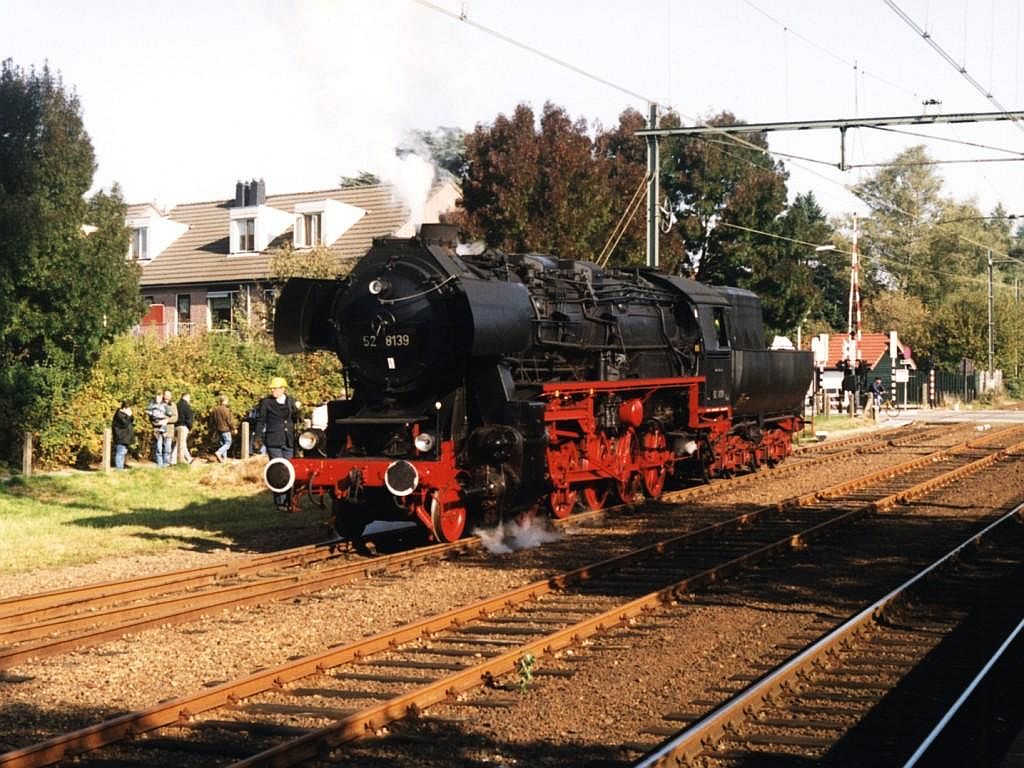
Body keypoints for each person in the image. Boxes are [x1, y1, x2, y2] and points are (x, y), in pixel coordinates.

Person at [256, 376, 302, 511]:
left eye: (275, 388)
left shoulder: (290, 401)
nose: (273, 391)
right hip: (274, 440)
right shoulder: (266, 402)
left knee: (290, 472)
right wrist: (258, 437)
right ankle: (280, 502)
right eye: (272, 388)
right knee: (278, 471)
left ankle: (290, 501)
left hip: (288, 440)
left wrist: (298, 411)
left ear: (283, 389)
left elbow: (296, 418)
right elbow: (261, 421)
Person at [145, 391, 169, 467]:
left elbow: (169, 413)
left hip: (163, 423)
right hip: (156, 425)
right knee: (158, 446)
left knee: (166, 445)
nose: (158, 399)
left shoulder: (165, 405)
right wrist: (152, 417)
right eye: (157, 397)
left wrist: (165, 420)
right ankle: (159, 463)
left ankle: (166, 463)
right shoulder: (152, 405)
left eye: (160, 397)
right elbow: (148, 412)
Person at [210, 394, 235, 463]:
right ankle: (218, 453)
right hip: (225, 429)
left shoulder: (215, 410)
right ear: (225, 401)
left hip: (218, 429)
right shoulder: (226, 410)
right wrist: (233, 428)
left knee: (223, 443)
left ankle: (224, 458)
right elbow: (229, 421)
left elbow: (212, 421)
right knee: (228, 443)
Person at [111, 401, 134, 470]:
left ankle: (120, 467)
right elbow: (125, 423)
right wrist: (129, 416)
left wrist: (130, 416)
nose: (130, 410)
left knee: (123, 452)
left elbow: (132, 420)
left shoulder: (124, 414)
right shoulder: (119, 415)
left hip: (125, 437)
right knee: (120, 452)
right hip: (121, 437)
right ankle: (119, 468)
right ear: (124, 408)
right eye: (128, 409)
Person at [176, 392, 195, 464]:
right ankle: (188, 458)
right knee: (182, 444)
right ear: (186, 397)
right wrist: (190, 426)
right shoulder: (186, 406)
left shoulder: (177, 404)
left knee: (178, 444)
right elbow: (189, 417)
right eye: (189, 397)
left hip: (177, 426)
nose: (189, 399)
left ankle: (172, 459)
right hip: (183, 426)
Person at [162, 390, 178, 465]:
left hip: (169, 429)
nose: (168, 396)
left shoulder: (173, 405)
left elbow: (175, 417)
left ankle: (166, 463)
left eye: (169, 395)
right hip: (160, 428)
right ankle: (160, 462)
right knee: (160, 447)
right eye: (166, 395)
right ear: (163, 395)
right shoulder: (159, 404)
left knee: (168, 447)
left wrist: (167, 420)